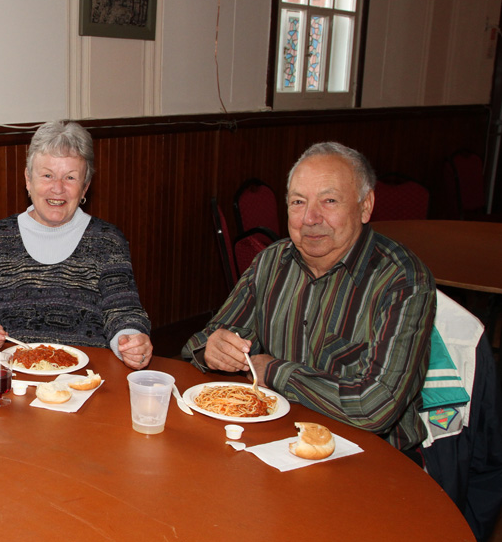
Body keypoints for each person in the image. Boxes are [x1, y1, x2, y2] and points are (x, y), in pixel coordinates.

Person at [182, 141, 436, 451]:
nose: (310, 218)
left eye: (329, 201)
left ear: (365, 206)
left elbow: (375, 407)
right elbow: (196, 346)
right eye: (298, 202)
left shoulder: (402, 280)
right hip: (274, 444)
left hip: (369, 459)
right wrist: (213, 349)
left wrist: (274, 371)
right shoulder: (271, 262)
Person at [0, 120, 153, 369]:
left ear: (85, 186)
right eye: (47, 175)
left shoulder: (108, 241)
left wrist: (130, 342)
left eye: (70, 177)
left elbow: (124, 314)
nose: (57, 188)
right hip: (12, 383)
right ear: (28, 179)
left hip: (84, 384)